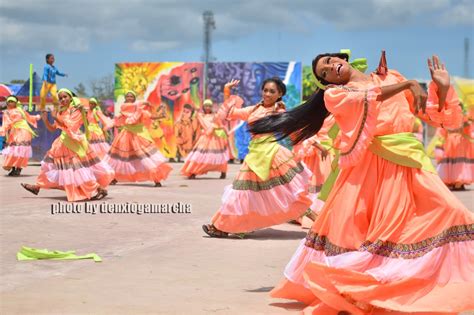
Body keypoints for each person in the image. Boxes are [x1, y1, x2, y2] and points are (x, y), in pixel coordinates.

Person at [249, 53, 473, 314]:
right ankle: (367, 289)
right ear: (327, 82)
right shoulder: (338, 95)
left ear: (343, 59)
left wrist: (442, 89)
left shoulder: (391, 76)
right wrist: (408, 84)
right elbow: (369, 98)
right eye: (325, 71)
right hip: (371, 166)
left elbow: (430, 115)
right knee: (374, 233)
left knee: (452, 212)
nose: (331, 66)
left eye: (330, 60)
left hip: (410, 160)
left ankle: (404, 285)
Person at [202, 78, 317, 238]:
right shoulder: (253, 110)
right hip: (255, 155)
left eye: (272, 91)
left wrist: (310, 145)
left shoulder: (279, 112)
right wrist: (227, 92)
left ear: (279, 94)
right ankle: (232, 226)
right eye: (265, 90)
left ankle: (318, 222)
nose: (267, 94)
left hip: (272, 155)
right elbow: (230, 113)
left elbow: (293, 131)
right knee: (243, 193)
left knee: (285, 194)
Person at [21, 88, 113, 201]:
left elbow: (71, 127)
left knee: (77, 170)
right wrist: (45, 120)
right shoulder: (61, 111)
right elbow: (52, 129)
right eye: (60, 98)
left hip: (73, 143)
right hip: (61, 143)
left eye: (65, 97)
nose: (63, 99)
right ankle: (38, 186)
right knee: (49, 166)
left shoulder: (77, 110)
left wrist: (55, 117)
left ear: (70, 97)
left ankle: (98, 188)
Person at [107, 91, 172, 187]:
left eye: (131, 96)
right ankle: (114, 178)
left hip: (138, 136)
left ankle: (156, 178)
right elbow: (128, 114)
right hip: (125, 135)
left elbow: (150, 116)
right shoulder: (125, 107)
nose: (129, 97)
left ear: (134, 98)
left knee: (145, 157)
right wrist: (144, 103)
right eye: (127, 96)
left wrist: (161, 114)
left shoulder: (139, 110)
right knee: (121, 159)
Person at [180, 99, 229, 179]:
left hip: (214, 138)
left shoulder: (215, 116)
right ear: (203, 106)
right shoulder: (200, 115)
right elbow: (193, 121)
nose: (207, 107)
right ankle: (193, 172)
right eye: (206, 106)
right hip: (204, 137)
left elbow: (220, 125)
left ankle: (222, 171)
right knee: (198, 155)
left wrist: (216, 129)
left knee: (217, 156)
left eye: (209, 106)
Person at [436, 106, 474, 190]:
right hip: (456, 141)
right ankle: (457, 182)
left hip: (456, 141)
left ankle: (456, 181)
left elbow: (442, 131)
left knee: (454, 161)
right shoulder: (461, 118)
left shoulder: (458, 117)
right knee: (458, 162)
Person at [1, 95, 40, 176]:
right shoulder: (6, 112)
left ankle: (18, 168)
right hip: (14, 132)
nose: (10, 103)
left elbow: (29, 117)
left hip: (24, 130)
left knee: (21, 149)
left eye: (12, 101)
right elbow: (6, 124)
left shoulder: (20, 110)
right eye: (9, 101)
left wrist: (36, 117)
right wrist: (3, 130)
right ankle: (13, 168)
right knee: (13, 150)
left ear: (15, 103)